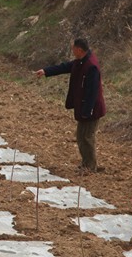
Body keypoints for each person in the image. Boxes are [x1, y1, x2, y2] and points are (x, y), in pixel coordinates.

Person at [34, 37, 106, 173]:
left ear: (79, 50)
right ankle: (87, 163)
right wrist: (46, 71)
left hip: (91, 109)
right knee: (81, 136)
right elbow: (65, 67)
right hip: (85, 108)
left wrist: (87, 111)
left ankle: (90, 166)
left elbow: (92, 92)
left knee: (87, 137)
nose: (72, 51)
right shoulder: (81, 61)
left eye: (73, 48)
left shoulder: (91, 66)